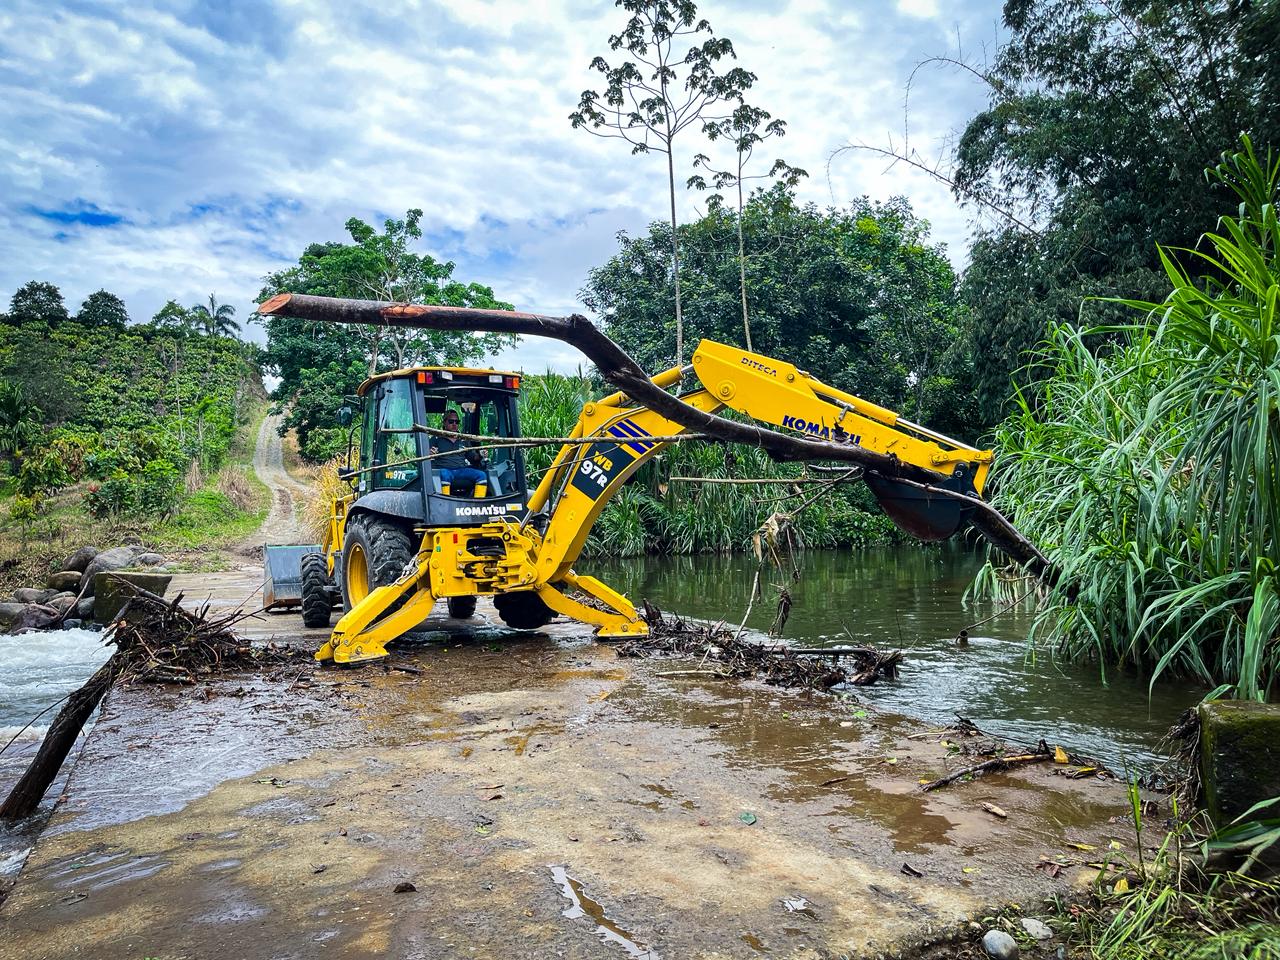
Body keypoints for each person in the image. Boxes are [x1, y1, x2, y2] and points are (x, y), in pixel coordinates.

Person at [430, 408, 487, 493]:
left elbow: (472, 457)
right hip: (445, 470)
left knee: (482, 475)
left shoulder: (463, 439)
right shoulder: (436, 439)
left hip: (462, 470)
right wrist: (430, 453)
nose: (454, 424)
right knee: (444, 474)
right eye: (451, 421)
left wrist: (480, 455)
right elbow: (425, 455)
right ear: (444, 423)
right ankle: (444, 500)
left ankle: (478, 500)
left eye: (457, 422)